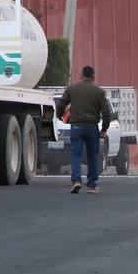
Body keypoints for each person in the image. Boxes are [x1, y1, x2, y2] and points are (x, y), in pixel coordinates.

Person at [57, 66, 113, 194]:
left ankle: (76, 181)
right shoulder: (99, 91)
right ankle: (92, 185)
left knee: (76, 154)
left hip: (76, 127)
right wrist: (104, 129)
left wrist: (61, 117)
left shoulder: (72, 89)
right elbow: (106, 113)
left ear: (81, 76)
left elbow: (61, 104)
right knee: (92, 156)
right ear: (93, 77)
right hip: (92, 127)